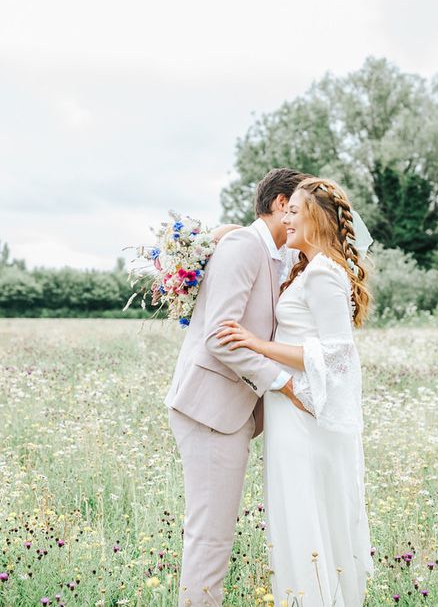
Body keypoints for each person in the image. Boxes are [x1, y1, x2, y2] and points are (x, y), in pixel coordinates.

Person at [216, 177, 374, 606]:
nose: (285, 217)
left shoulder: (323, 273)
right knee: (292, 512)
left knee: (305, 513)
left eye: (294, 211)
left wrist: (255, 343)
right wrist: (219, 235)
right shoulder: (303, 265)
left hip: (304, 409)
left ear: (315, 220)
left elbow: (339, 354)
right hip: (288, 409)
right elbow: (254, 241)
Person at [164, 167, 308, 607]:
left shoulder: (270, 252)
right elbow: (219, 336)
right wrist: (280, 382)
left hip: (231, 411)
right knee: (210, 535)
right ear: (281, 205)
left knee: (216, 529)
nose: (306, 216)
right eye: (300, 206)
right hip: (210, 410)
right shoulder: (245, 247)